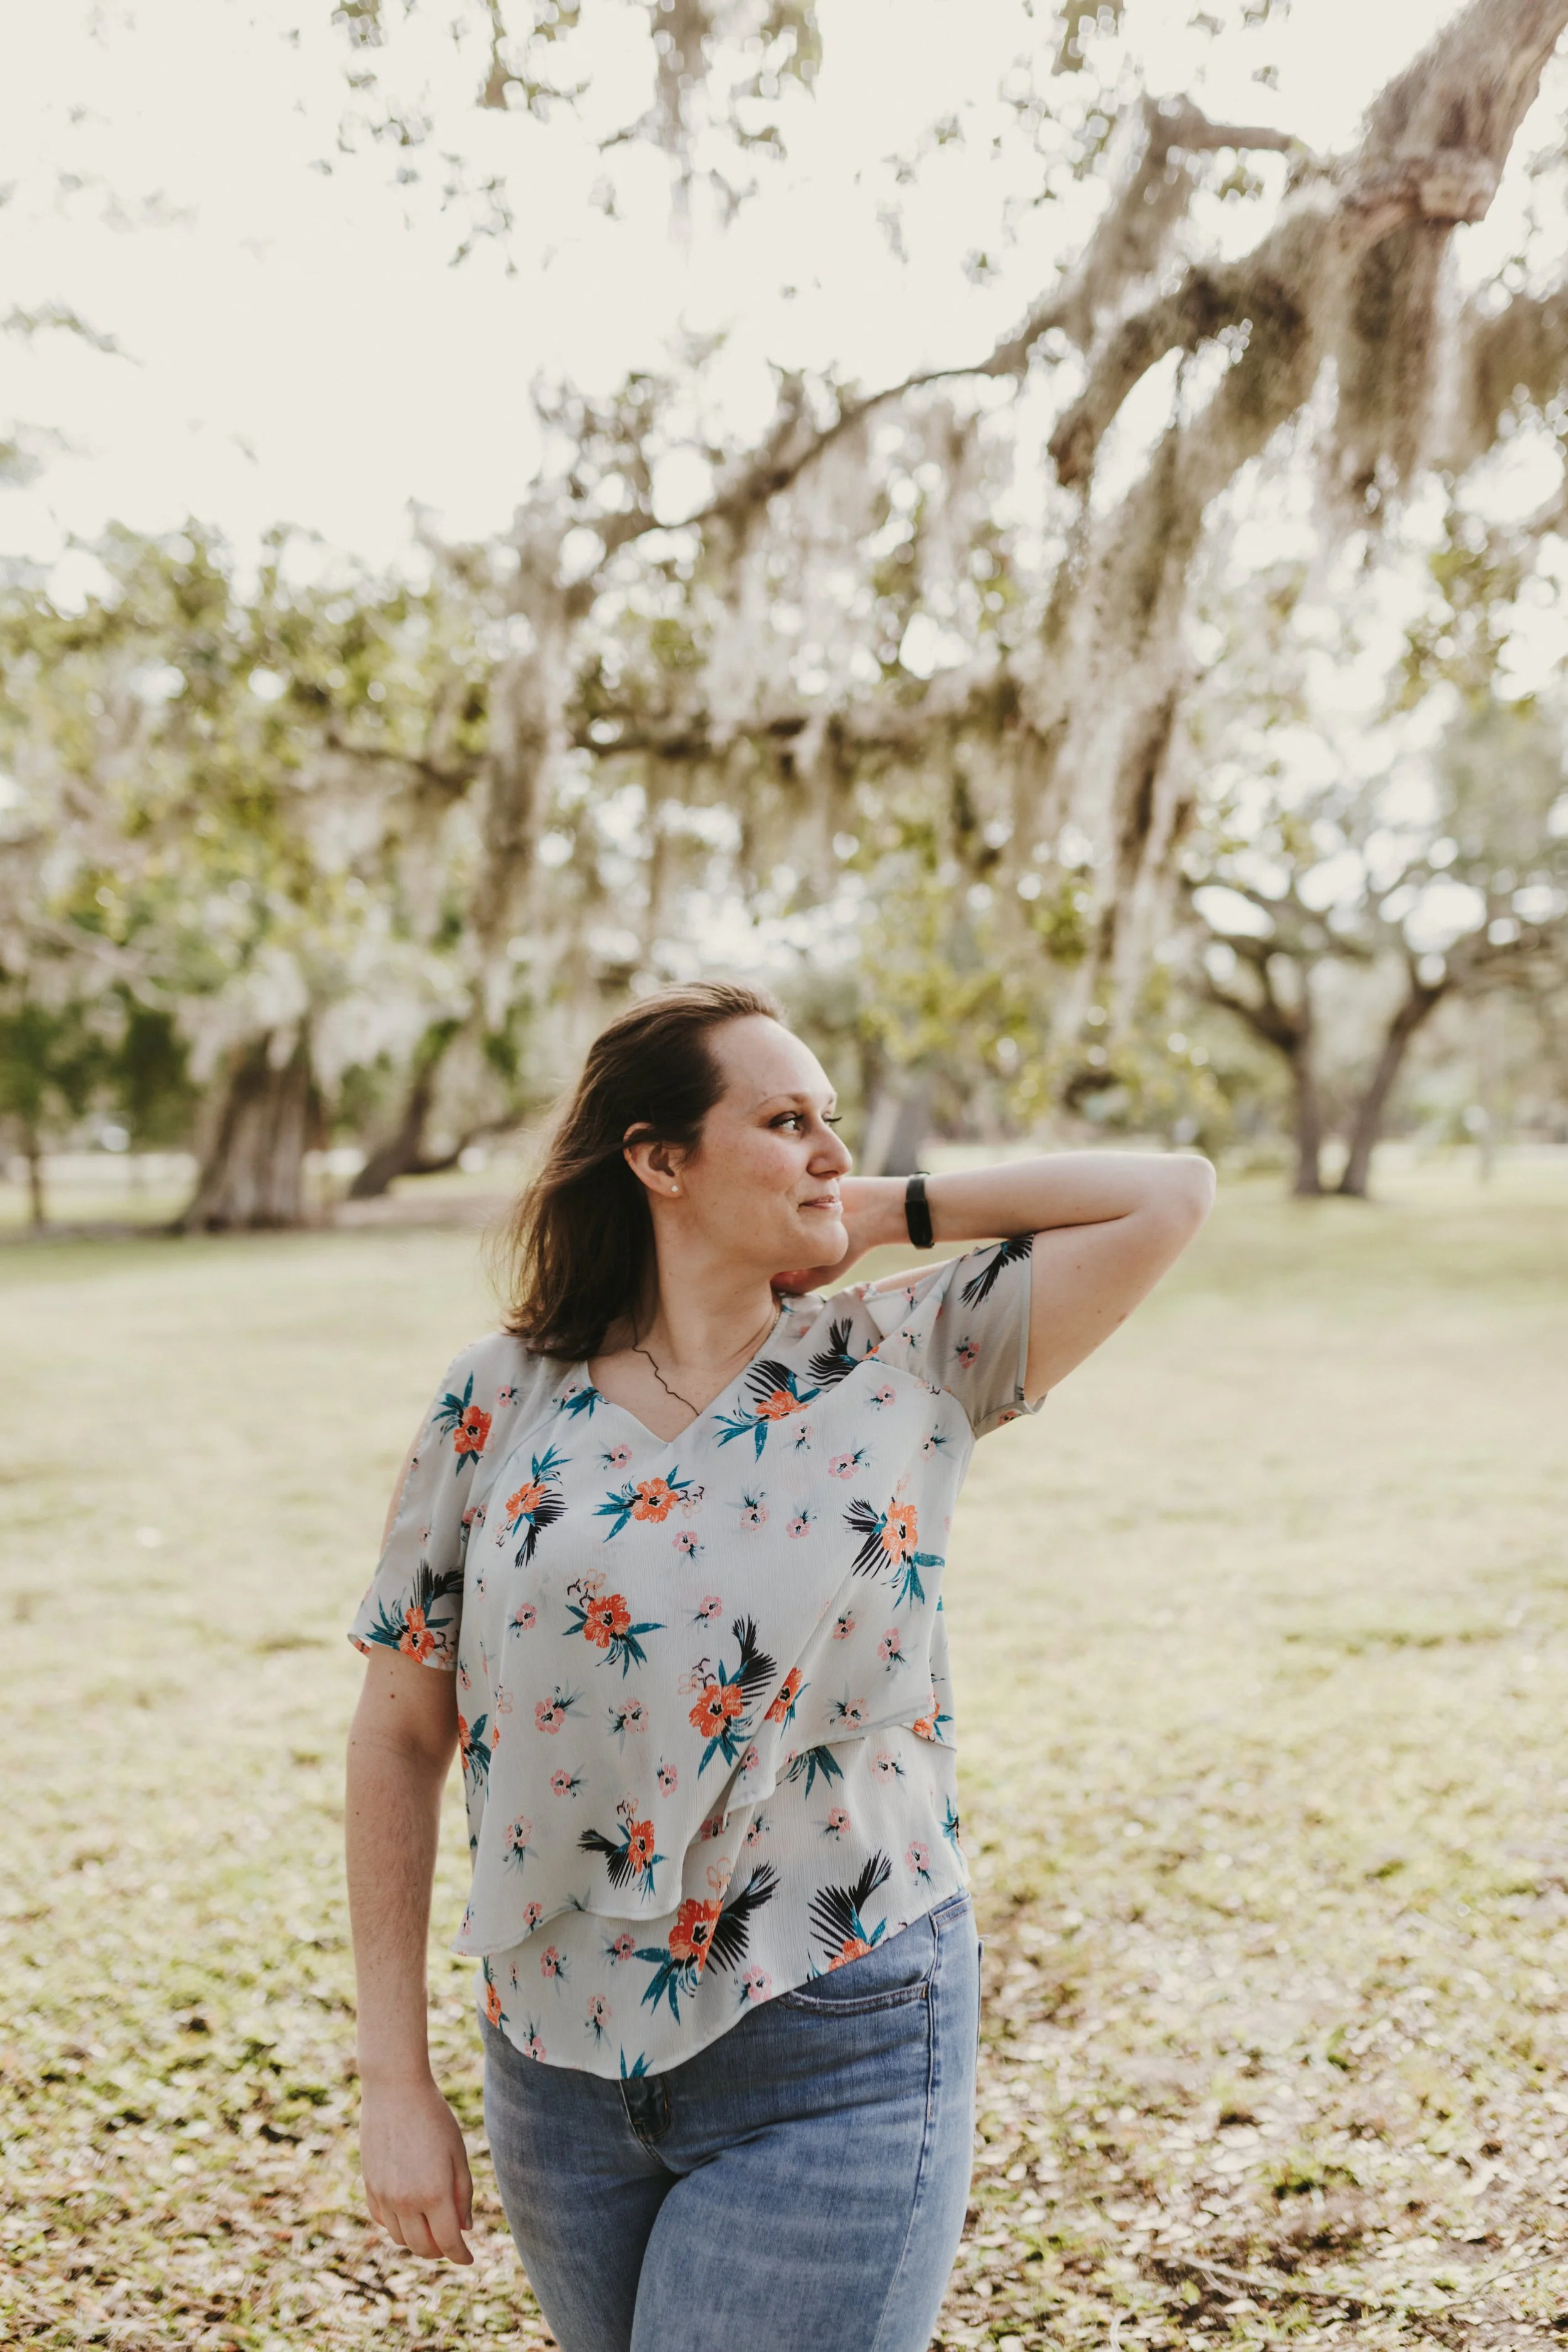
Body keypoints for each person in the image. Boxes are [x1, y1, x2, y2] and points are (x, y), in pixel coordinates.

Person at [344, 979, 1214, 2352]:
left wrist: (873, 1211)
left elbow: (1166, 1195)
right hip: (554, 2057)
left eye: (833, 1121)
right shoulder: (498, 1397)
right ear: (659, 1160)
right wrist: (395, 2076)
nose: (827, 1148)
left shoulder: (907, 1353)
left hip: (835, 2027)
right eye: (785, 1119)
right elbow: (399, 1729)